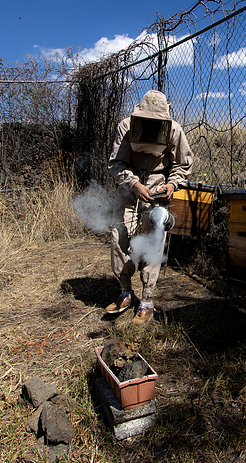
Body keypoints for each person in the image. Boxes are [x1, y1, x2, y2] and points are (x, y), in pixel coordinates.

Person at [105, 90, 193, 325]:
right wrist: (133, 183)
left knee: (154, 241)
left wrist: (173, 183)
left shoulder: (174, 130)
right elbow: (116, 163)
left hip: (157, 190)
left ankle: (147, 300)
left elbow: (182, 164)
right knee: (119, 237)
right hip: (128, 189)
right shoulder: (125, 127)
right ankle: (125, 292)